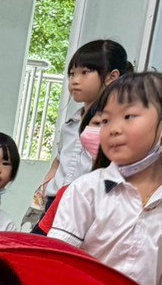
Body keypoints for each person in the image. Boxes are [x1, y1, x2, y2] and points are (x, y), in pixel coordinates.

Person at [47, 71, 162, 285]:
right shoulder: (86, 190)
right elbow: (59, 258)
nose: (113, 129)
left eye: (128, 116)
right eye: (105, 120)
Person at [28, 39, 133, 227]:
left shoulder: (117, 126)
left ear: (112, 76)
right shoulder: (71, 123)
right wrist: (46, 187)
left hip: (86, 208)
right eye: (72, 74)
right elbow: (59, 160)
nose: (75, 81)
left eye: (85, 72)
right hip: (53, 204)